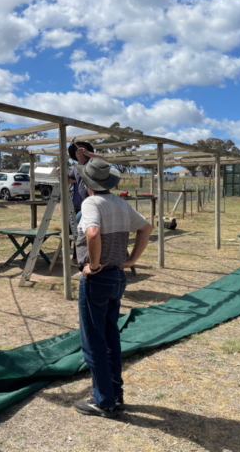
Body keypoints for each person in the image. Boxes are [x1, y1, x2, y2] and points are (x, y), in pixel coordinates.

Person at [72, 158, 153, 418]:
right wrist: (131, 261)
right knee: (111, 337)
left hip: (99, 278)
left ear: (87, 183)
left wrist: (93, 265)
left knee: (93, 340)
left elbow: (92, 233)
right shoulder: (120, 203)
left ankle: (103, 401)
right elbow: (146, 227)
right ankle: (115, 393)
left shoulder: (91, 203)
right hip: (118, 275)